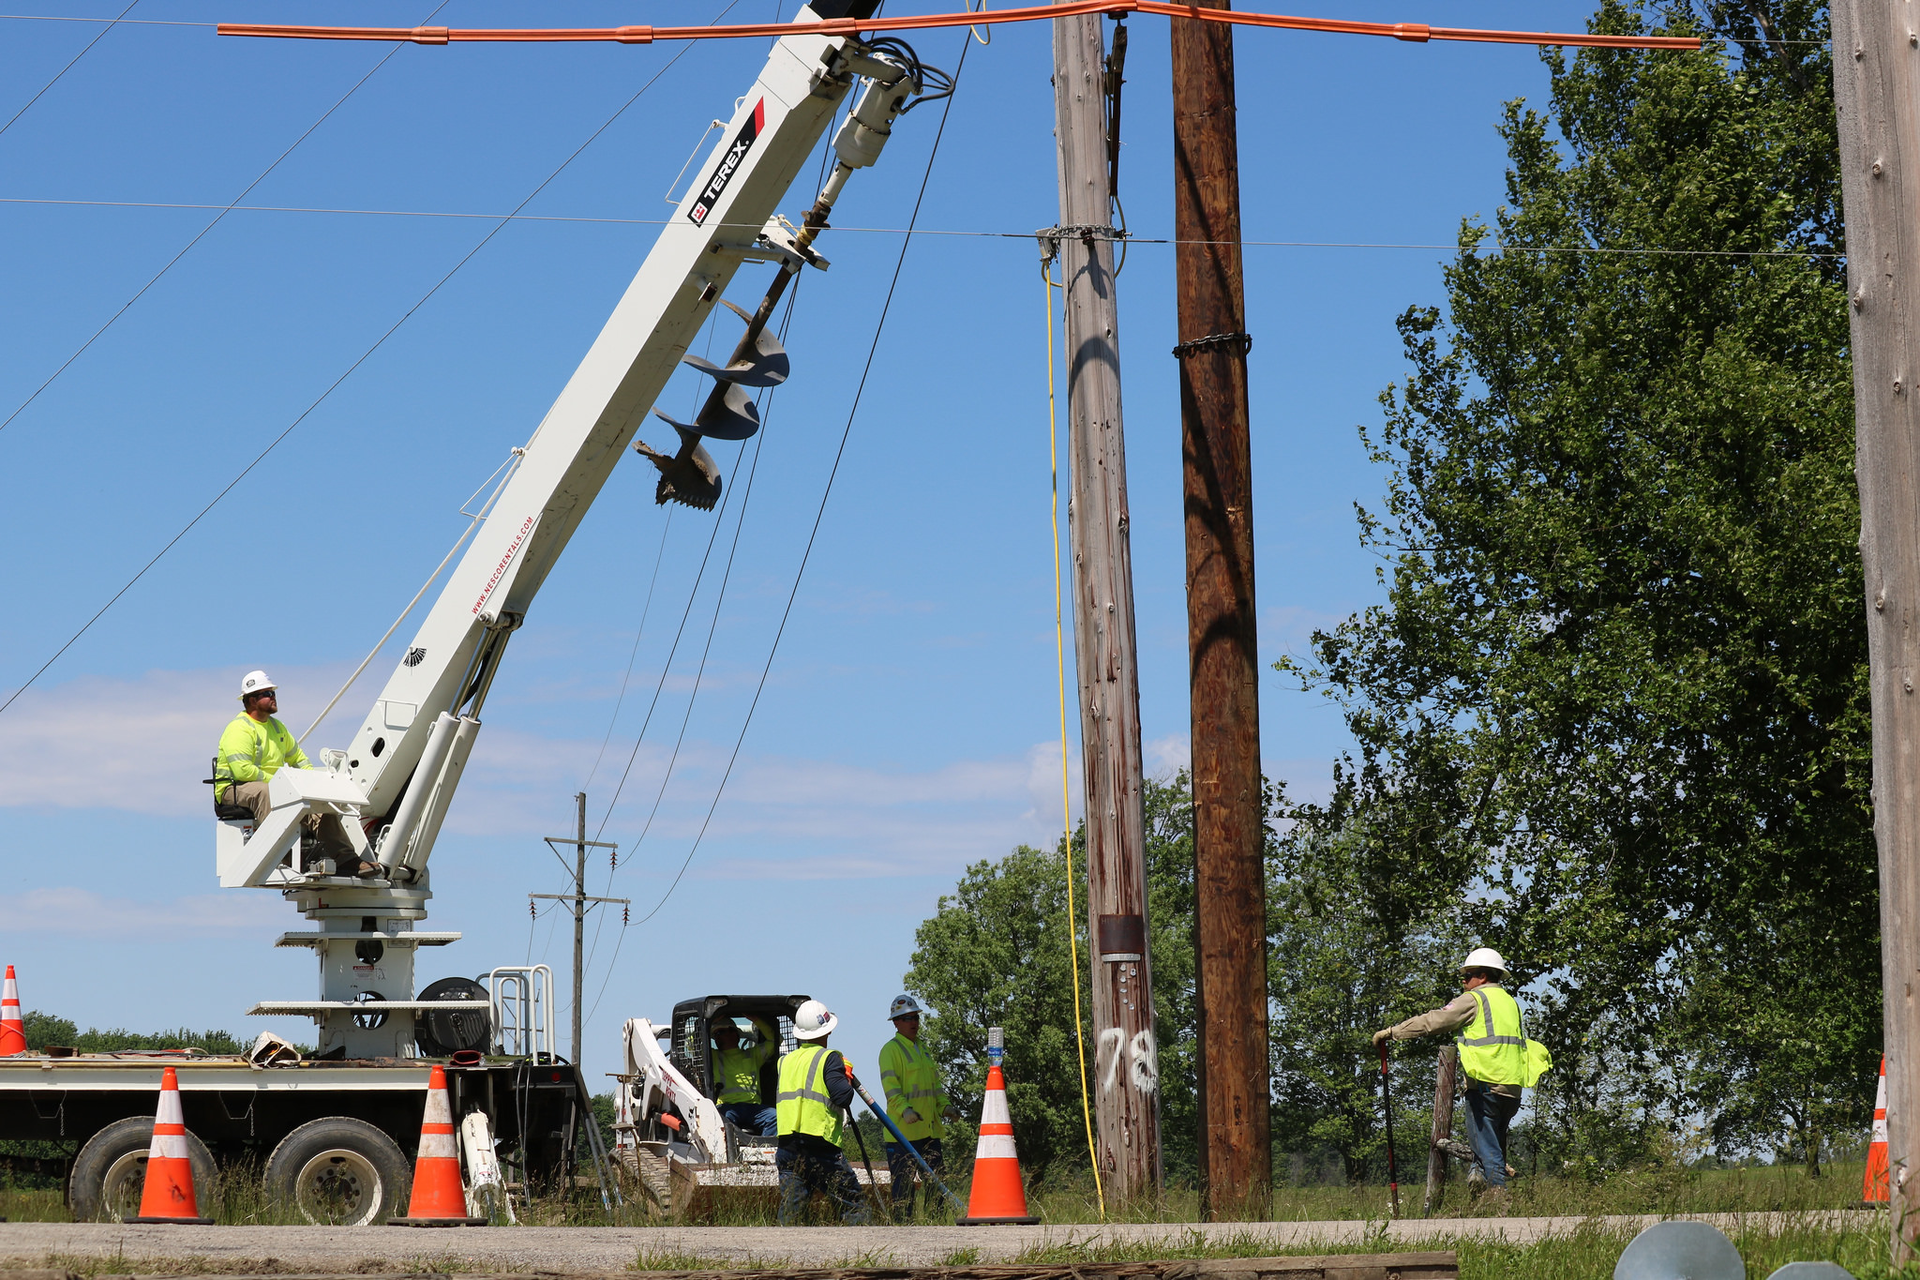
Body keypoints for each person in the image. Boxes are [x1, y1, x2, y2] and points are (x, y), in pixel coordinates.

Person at [1374, 947, 1527, 1206]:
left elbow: (1435, 1021)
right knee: (1494, 1141)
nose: (1464, 982)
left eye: (1466, 977)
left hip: (1485, 1083)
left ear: (1482, 976)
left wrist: (1393, 1032)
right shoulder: (1510, 1002)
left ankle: (1498, 1197)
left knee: (1486, 1144)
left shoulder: (1474, 1000)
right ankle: (1478, 1177)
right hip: (1512, 1087)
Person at [214, 670, 372, 877]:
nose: (273, 697)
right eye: (267, 694)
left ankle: (347, 859)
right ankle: (284, 855)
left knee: (322, 803)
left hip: (273, 785)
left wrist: (314, 786)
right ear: (252, 700)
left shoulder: (278, 728)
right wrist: (282, 783)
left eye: (273, 693)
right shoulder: (240, 729)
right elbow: (242, 770)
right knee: (265, 793)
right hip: (233, 788)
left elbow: (299, 760)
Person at [774, 999, 872, 1225]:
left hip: (787, 1148)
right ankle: (864, 1253)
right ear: (827, 1030)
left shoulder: (784, 1062)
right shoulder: (829, 1058)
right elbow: (843, 1097)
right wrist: (844, 1073)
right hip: (820, 1148)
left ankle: (782, 1255)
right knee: (853, 1204)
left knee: (792, 1212)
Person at [877, 994, 959, 1221]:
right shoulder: (890, 1051)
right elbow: (891, 1088)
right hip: (902, 1135)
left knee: (937, 1189)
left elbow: (935, 1088)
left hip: (929, 1133)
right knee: (903, 1194)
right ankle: (904, 1234)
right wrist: (905, 1110)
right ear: (895, 1022)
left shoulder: (923, 1049)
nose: (913, 1022)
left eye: (915, 1017)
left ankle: (937, 1229)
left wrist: (945, 1108)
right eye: (906, 1018)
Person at [713, 1014, 779, 1136]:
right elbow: (693, 1044)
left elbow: (776, 1040)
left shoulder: (754, 1055)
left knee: (776, 1118)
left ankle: (762, 1152)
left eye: (720, 1032)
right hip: (727, 1108)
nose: (717, 1038)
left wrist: (756, 1020)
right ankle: (728, 1154)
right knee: (721, 1122)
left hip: (753, 1107)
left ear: (734, 1034)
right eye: (715, 1035)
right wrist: (709, 1022)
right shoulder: (713, 1056)